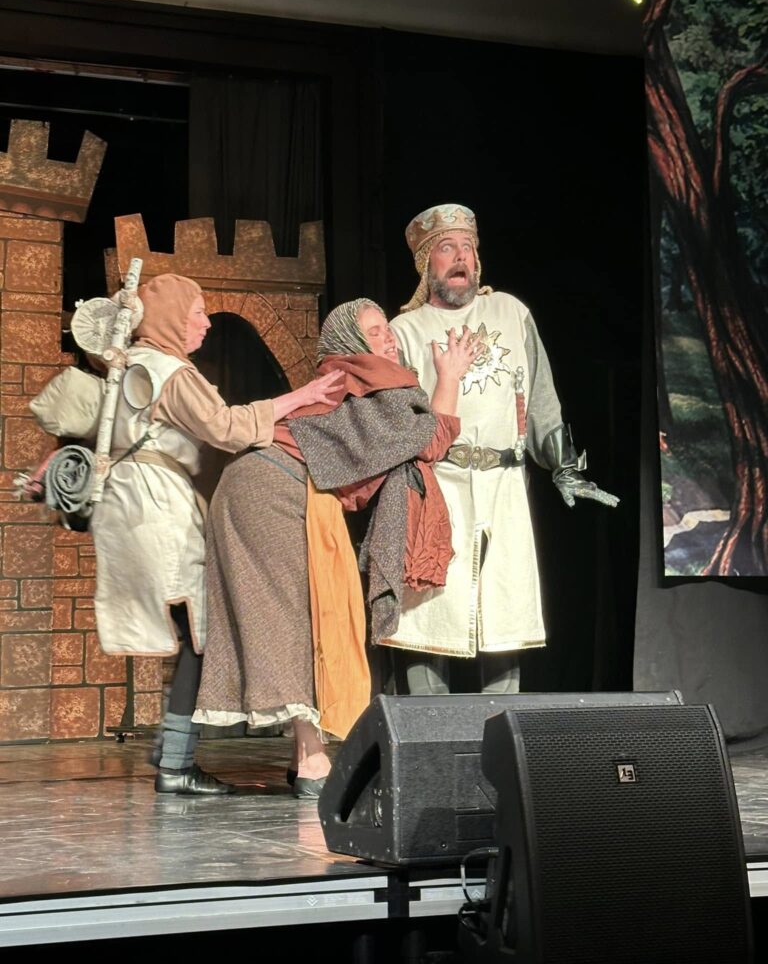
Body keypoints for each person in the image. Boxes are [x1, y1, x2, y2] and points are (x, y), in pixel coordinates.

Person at [193, 298, 476, 798]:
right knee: (304, 618)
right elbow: (429, 440)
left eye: (387, 328)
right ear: (351, 341)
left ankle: (305, 756)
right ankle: (313, 761)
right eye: (375, 330)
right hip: (275, 488)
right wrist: (449, 375)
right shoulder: (370, 377)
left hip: (254, 484)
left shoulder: (350, 381)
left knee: (297, 616)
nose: (388, 338)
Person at [88, 273, 344, 795]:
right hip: (157, 505)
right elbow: (225, 427)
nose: (206, 324)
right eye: (197, 313)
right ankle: (175, 763)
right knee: (201, 630)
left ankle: (172, 752)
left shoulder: (129, 365)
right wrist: (301, 397)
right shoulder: (169, 371)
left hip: (128, 506)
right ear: (170, 319)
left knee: (191, 632)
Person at [388, 204, 618, 695]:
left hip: (504, 485)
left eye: (468, 248)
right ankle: (429, 733)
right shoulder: (404, 331)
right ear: (426, 263)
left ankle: (496, 735)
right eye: (447, 248)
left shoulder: (511, 313)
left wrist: (563, 465)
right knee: (430, 617)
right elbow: (398, 421)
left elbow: (541, 400)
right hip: (438, 484)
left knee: (503, 614)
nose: (461, 257)